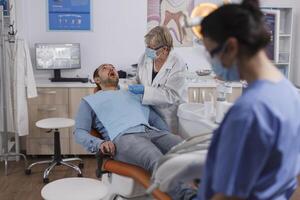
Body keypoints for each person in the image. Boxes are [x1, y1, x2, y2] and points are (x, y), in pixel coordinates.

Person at [193, 0, 300, 199]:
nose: (212, 63)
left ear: (231, 47)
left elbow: (229, 197)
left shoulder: (250, 111)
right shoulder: (290, 94)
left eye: (212, 54)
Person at [74, 64, 196, 200]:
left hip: (151, 131)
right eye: (105, 68)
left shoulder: (132, 94)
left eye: (113, 67)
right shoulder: (89, 101)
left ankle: (211, 187)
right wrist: (99, 143)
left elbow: (155, 119)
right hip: (125, 138)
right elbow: (79, 132)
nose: (111, 69)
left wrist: (167, 135)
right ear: (97, 79)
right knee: (156, 158)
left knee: (186, 148)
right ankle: (189, 196)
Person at [128, 26, 188, 134]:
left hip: (168, 116)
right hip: (148, 115)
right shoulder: (145, 57)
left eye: (151, 48)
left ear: (165, 49)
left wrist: (145, 90)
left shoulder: (177, 63)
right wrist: (128, 85)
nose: (148, 50)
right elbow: (138, 78)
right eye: (147, 46)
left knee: (169, 146)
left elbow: (172, 95)